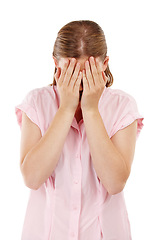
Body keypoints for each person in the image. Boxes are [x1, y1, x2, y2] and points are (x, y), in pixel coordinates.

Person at [15, 20, 144, 240]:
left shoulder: (123, 106)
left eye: (87, 72)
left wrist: (91, 110)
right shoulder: (36, 102)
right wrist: (65, 108)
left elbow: (115, 183)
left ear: (104, 64)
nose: (80, 81)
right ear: (56, 64)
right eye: (72, 71)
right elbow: (32, 178)